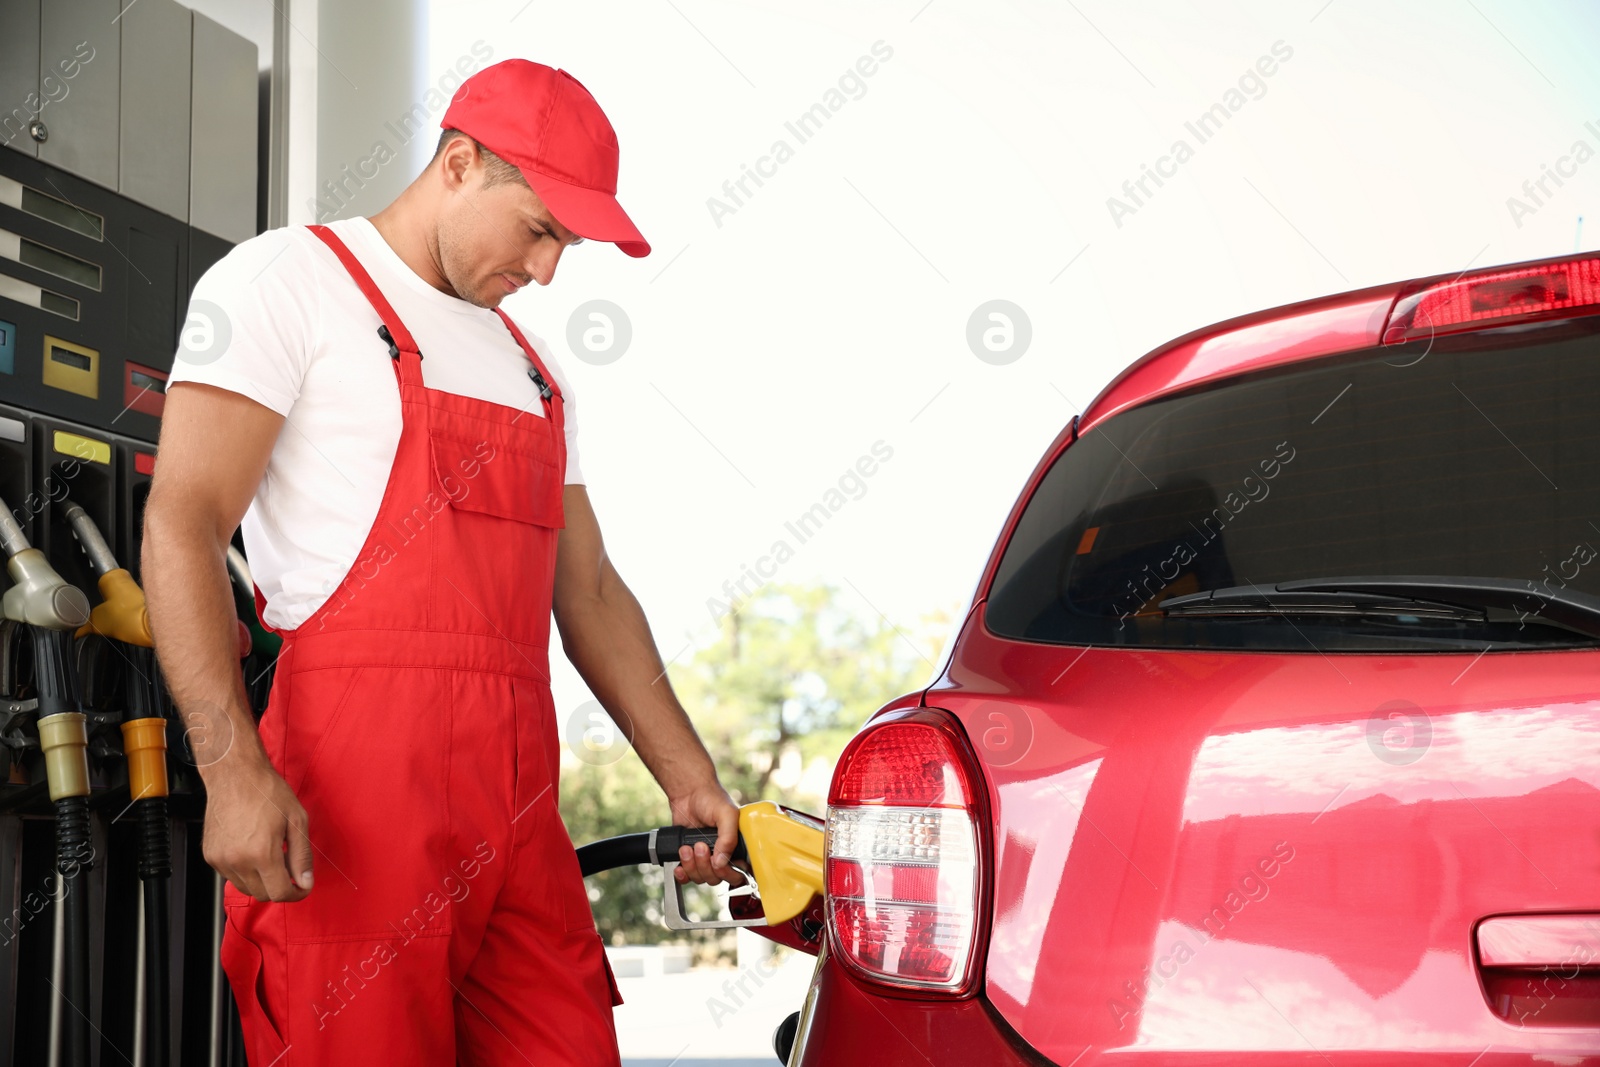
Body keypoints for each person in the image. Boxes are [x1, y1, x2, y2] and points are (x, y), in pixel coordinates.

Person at [143, 58, 744, 1066]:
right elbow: (182, 523)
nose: (549, 271)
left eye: (569, 246)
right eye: (541, 230)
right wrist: (231, 768)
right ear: (459, 164)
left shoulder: (532, 370)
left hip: (517, 810)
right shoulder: (290, 280)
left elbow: (587, 585)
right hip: (353, 802)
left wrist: (687, 773)